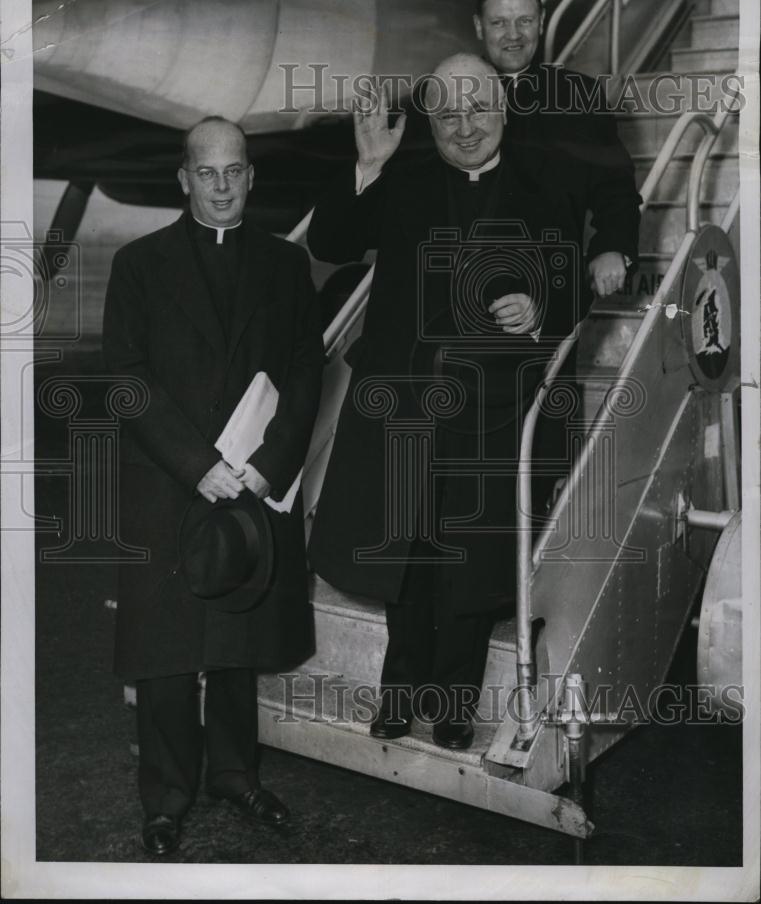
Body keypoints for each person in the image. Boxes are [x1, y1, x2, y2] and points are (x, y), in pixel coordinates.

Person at [306, 54, 637, 753]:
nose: (464, 127)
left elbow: (571, 277)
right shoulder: (402, 175)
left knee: (467, 563)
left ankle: (453, 704)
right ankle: (402, 694)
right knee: (406, 558)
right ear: (430, 119)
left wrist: (541, 303)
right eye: (448, 114)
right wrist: (366, 165)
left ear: (504, 109)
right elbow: (333, 241)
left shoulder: (543, 181)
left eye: (478, 110)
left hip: (494, 406)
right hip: (407, 401)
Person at [102, 116, 324, 856]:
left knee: (238, 638)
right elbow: (126, 383)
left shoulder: (285, 266)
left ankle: (234, 774)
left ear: (250, 177)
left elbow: (304, 371)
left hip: (254, 478)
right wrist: (197, 464)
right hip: (171, 480)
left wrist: (269, 462)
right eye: (207, 173)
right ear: (184, 179)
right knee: (167, 650)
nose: (222, 186)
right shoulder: (138, 265)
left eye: (235, 171)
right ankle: (166, 796)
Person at [473, 0, 641, 295]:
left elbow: (615, 189)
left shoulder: (580, 95)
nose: (513, 34)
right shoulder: (445, 96)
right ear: (479, 25)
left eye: (524, 20)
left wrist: (611, 246)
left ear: (542, 21)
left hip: (553, 294)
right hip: (463, 295)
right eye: (498, 23)